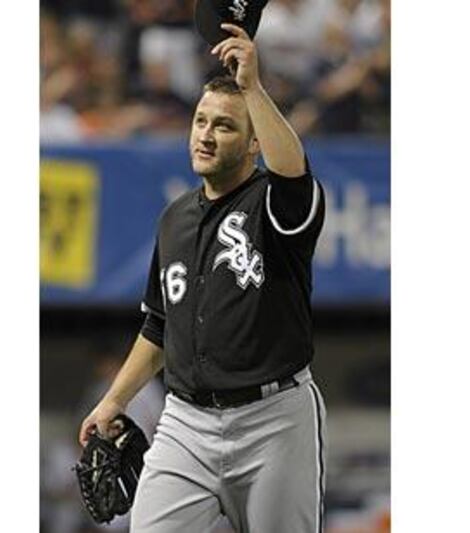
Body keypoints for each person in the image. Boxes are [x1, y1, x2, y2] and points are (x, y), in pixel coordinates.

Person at [78, 23, 327, 532]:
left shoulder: (273, 205)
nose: (206, 136)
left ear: (254, 142)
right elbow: (158, 325)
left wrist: (253, 90)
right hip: (186, 423)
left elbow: (294, 174)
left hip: (273, 420)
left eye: (224, 127)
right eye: (200, 121)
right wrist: (116, 398)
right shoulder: (175, 218)